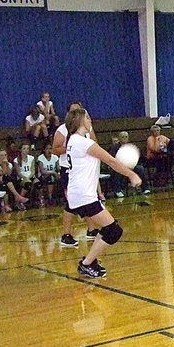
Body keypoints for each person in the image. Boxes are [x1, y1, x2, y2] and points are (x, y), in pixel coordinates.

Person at [64, 108, 141, 278]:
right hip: (83, 196)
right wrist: (132, 174)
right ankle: (87, 263)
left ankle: (89, 261)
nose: (90, 120)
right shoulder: (82, 143)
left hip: (80, 194)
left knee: (109, 228)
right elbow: (111, 160)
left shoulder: (74, 141)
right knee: (114, 231)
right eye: (88, 117)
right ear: (81, 121)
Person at [53, 101, 100, 247]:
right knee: (72, 203)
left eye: (80, 110)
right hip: (69, 169)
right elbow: (55, 149)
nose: (78, 114)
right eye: (74, 111)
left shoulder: (87, 127)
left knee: (89, 197)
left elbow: (94, 143)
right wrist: (72, 148)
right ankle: (66, 235)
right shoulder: (63, 130)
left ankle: (91, 230)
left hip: (84, 169)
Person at [108, 131, 149, 197]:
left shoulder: (131, 147)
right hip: (119, 166)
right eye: (122, 137)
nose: (124, 138)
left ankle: (145, 188)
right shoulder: (114, 148)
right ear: (119, 138)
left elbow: (135, 157)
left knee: (140, 168)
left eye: (126, 137)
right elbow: (113, 159)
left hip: (130, 166)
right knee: (117, 171)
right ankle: (118, 190)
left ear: (128, 138)